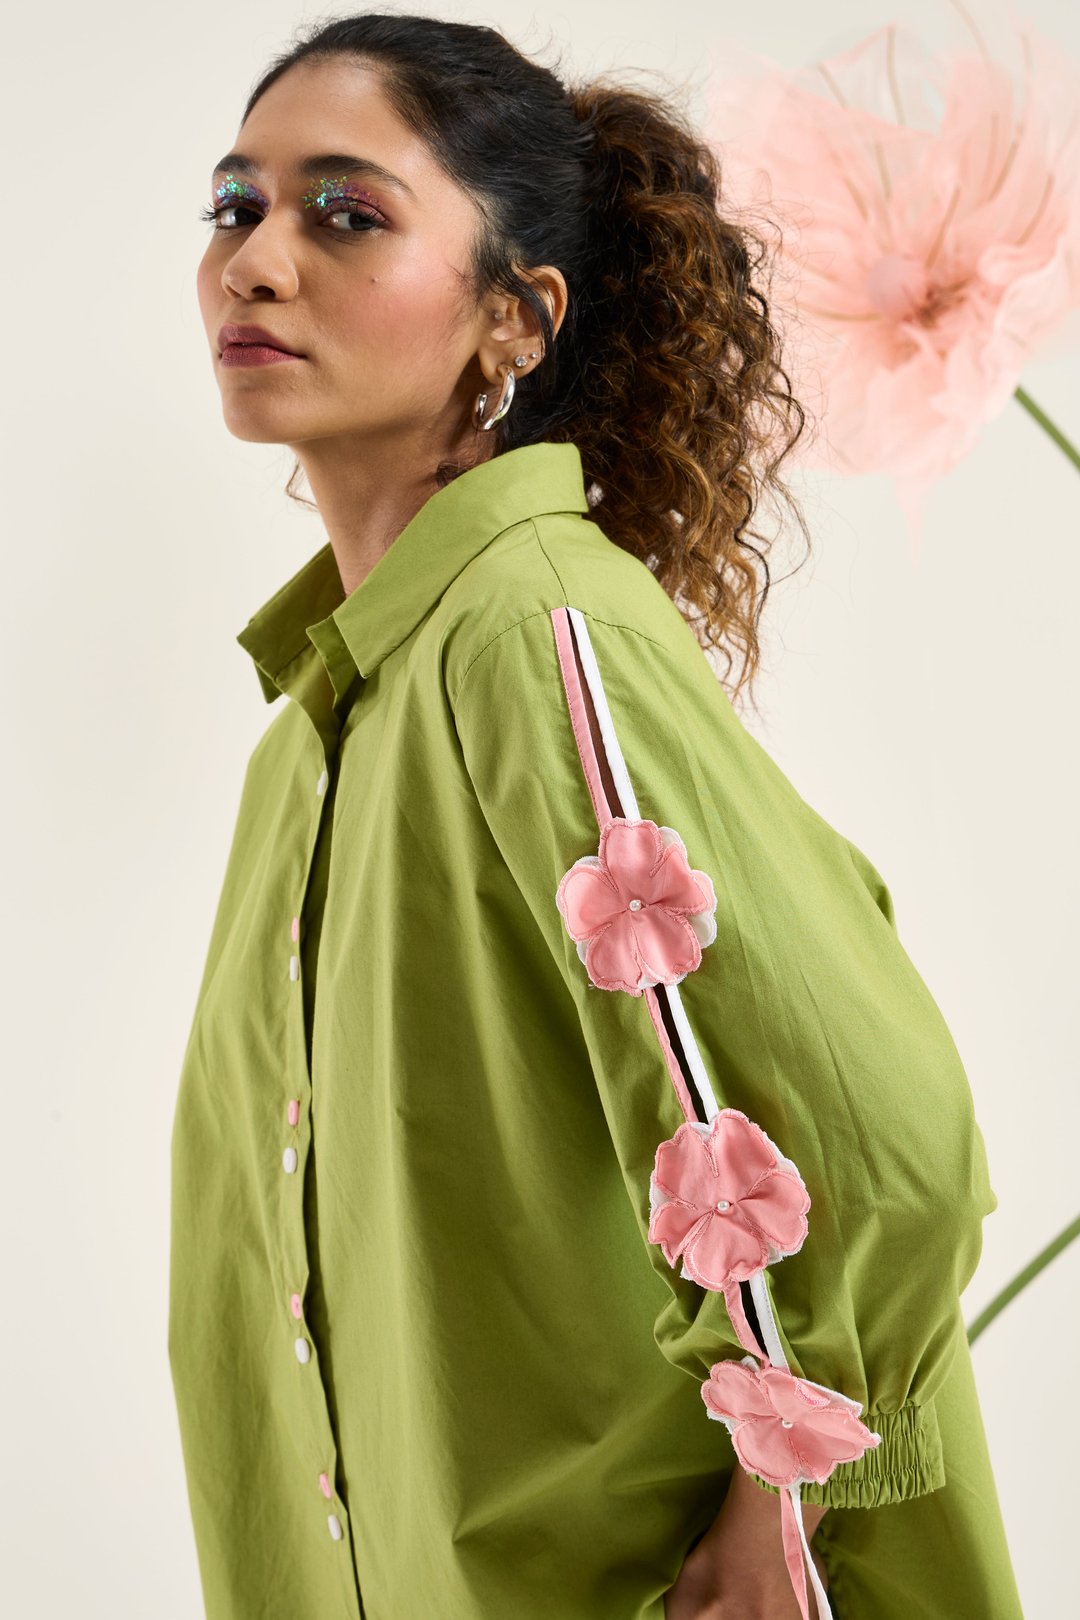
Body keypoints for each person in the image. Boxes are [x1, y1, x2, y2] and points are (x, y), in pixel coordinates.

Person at [168, 12, 1025, 1620]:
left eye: (345, 213)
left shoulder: (531, 631)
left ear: (514, 318)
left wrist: (785, 1498)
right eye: (235, 205)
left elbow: (877, 1133)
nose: (255, 263)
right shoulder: (318, 737)